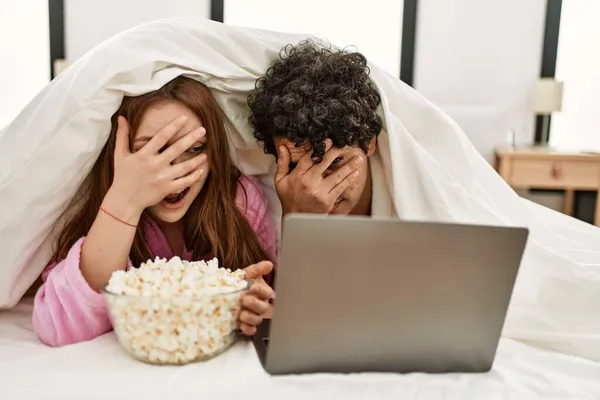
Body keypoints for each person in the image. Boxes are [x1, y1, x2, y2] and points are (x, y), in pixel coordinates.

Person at [33, 76, 276, 347]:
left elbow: (271, 300)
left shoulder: (240, 202)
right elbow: (56, 324)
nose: (174, 171)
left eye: (194, 149)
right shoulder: (99, 208)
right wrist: (124, 200)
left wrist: (253, 306)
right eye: (151, 151)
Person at [248, 40, 384, 218]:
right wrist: (295, 216)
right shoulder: (259, 209)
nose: (314, 190)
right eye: (296, 166)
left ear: (369, 141)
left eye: (334, 161)